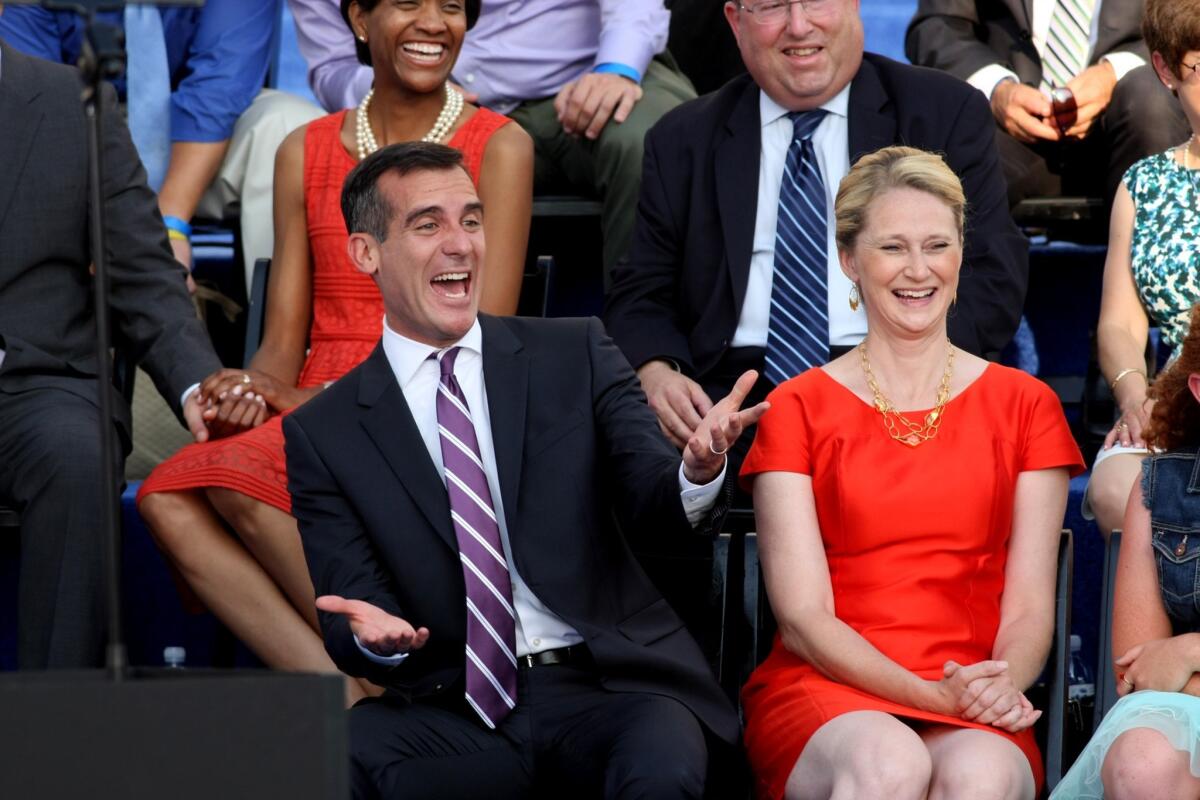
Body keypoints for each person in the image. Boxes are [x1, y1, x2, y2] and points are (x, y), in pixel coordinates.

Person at [284, 141, 759, 799]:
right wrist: (380, 641)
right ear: (367, 252)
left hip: (608, 687)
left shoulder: (575, 353)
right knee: (339, 757)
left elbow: (655, 499)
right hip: (455, 709)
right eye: (429, 225)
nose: (461, 245)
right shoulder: (324, 431)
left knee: (662, 758)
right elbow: (349, 603)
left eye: (471, 221)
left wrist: (696, 470)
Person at [135, 0, 533, 705]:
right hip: (315, 406)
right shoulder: (306, 147)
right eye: (409, 3)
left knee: (228, 478)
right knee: (167, 494)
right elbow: (285, 341)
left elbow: (483, 341)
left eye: (452, 7)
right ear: (356, 17)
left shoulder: (500, 144)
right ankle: (350, 698)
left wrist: (304, 402)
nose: (434, 23)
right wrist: (248, 387)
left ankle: (390, 661)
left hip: (436, 406)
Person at [738, 146, 1084, 800]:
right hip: (830, 688)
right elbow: (805, 619)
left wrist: (995, 687)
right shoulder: (796, 406)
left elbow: (1031, 604)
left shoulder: (1026, 405)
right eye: (893, 248)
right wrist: (928, 694)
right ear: (850, 261)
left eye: (937, 245)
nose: (919, 270)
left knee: (979, 777)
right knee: (888, 765)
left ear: (960, 255)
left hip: (977, 686)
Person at [603, 0, 1027, 473]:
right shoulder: (683, 138)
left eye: (815, 1)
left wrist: (910, 375)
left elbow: (993, 275)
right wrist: (657, 372)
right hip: (730, 399)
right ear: (734, 21)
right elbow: (640, 291)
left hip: (899, 379)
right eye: (773, 7)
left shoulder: (941, 112)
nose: (799, 26)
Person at [0, 33, 224, 668]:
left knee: (77, 452)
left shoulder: (75, 102)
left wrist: (197, 385)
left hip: (34, 382)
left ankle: (55, 731)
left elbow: (141, 271)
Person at [287, 0, 698, 282]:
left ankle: (649, 362)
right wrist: (409, 85)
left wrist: (617, 66)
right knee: (411, 175)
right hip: (432, 99)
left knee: (652, 143)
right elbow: (334, 67)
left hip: (584, 72)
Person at [0, 0, 324, 293]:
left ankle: (281, 339)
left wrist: (168, 229)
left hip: (198, 133)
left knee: (289, 127)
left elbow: (220, 85)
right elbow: (40, 101)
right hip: (82, 123)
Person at [1052, 305, 1200, 799]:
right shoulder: (1159, 489)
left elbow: (1168, 665)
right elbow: (1138, 677)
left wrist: (1190, 652)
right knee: (1142, 760)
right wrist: (1168, 663)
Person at [1082, 0, 1200, 537]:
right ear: (1166, 70)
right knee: (1114, 490)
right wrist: (1135, 398)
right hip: (1178, 399)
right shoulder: (1144, 184)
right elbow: (1120, 324)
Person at [906, 0, 1190, 207]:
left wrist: (1114, 73)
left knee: (1150, 100)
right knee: (954, 142)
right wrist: (996, 89)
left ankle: (1155, 282)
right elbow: (938, 25)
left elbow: (1190, 22)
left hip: (1134, 122)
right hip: (1013, 129)